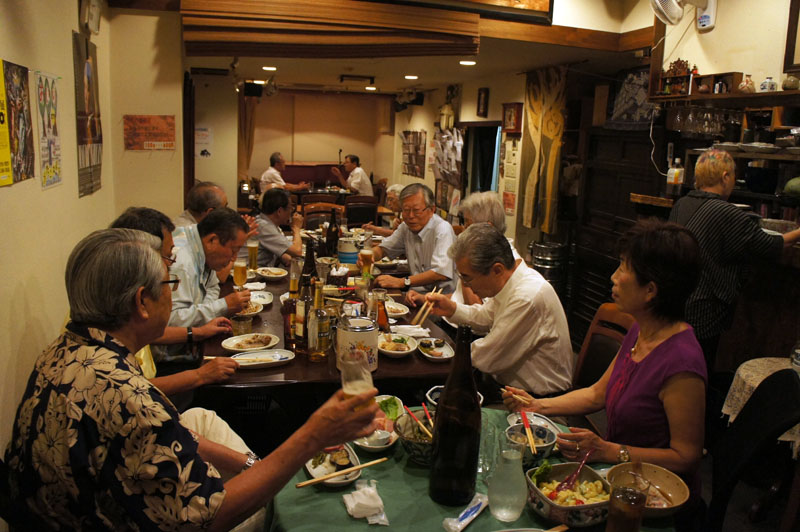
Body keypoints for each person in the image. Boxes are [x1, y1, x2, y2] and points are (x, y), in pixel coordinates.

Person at [4, 228, 380, 531]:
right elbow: (209, 519)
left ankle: (258, 467)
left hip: (72, 503)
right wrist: (313, 436)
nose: (173, 292)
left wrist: (254, 466)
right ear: (142, 302)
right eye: (169, 283)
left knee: (200, 418)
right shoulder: (127, 396)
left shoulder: (68, 346)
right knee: (285, 510)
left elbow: (161, 431)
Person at [503, 220, 707, 499]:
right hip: (618, 477)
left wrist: (609, 450)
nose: (614, 276)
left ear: (650, 290)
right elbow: (598, 393)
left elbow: (686, 457)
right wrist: (536, 405)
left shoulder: (681, 362)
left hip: (654, 496)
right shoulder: (641, 330)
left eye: (623, 267)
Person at [669, 149, 800, 369]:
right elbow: (770, 245)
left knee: (675, 365)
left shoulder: (681, 203)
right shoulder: (726, 212)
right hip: (702, 309)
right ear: (725, 177)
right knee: (698, 367)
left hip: (675, 301)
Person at [424, 223, 573, 398]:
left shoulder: (526, 296)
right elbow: (485, 317)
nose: (465, 284)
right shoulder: (511, 282)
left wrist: (441, 353)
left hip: (536, 399)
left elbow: (488, 356)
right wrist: (452, 309)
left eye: (467, 278)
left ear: (497, 269)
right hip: (507, 388)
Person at [110, 207, 239, 393]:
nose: (172, 263)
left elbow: (157, 332)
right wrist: (200, 375)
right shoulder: (110, 317)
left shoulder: (127, 295)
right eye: (168, 256)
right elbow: (132, 389)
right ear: (141, 255)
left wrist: (199, 332)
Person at [167, 208, 251, 364]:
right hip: (171, 359)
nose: (234, 258)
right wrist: (223, 306)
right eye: (234, 250)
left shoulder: (202, 248)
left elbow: (213, 286)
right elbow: (171, 322)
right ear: (213, 240)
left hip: (194, 343)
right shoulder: (181, 262)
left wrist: (205, 314)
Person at [360, 183, 456, 296]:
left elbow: (441, 273)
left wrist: (402, 282)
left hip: (442, 299)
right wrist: (371, 255)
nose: (410, 216)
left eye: (416, 210)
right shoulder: (405, 228)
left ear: (431, 210)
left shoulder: (442, 230)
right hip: (414, 295)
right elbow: (383, 249)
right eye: (406, 210)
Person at [239, 188, 304, 267]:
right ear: (279, 211)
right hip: (247, 271)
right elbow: (297, 251)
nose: (291, 211)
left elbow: (273, 247)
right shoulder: (264, 226)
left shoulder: (264, 222)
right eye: (290, 208)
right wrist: (296, 228)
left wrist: (282, 255)